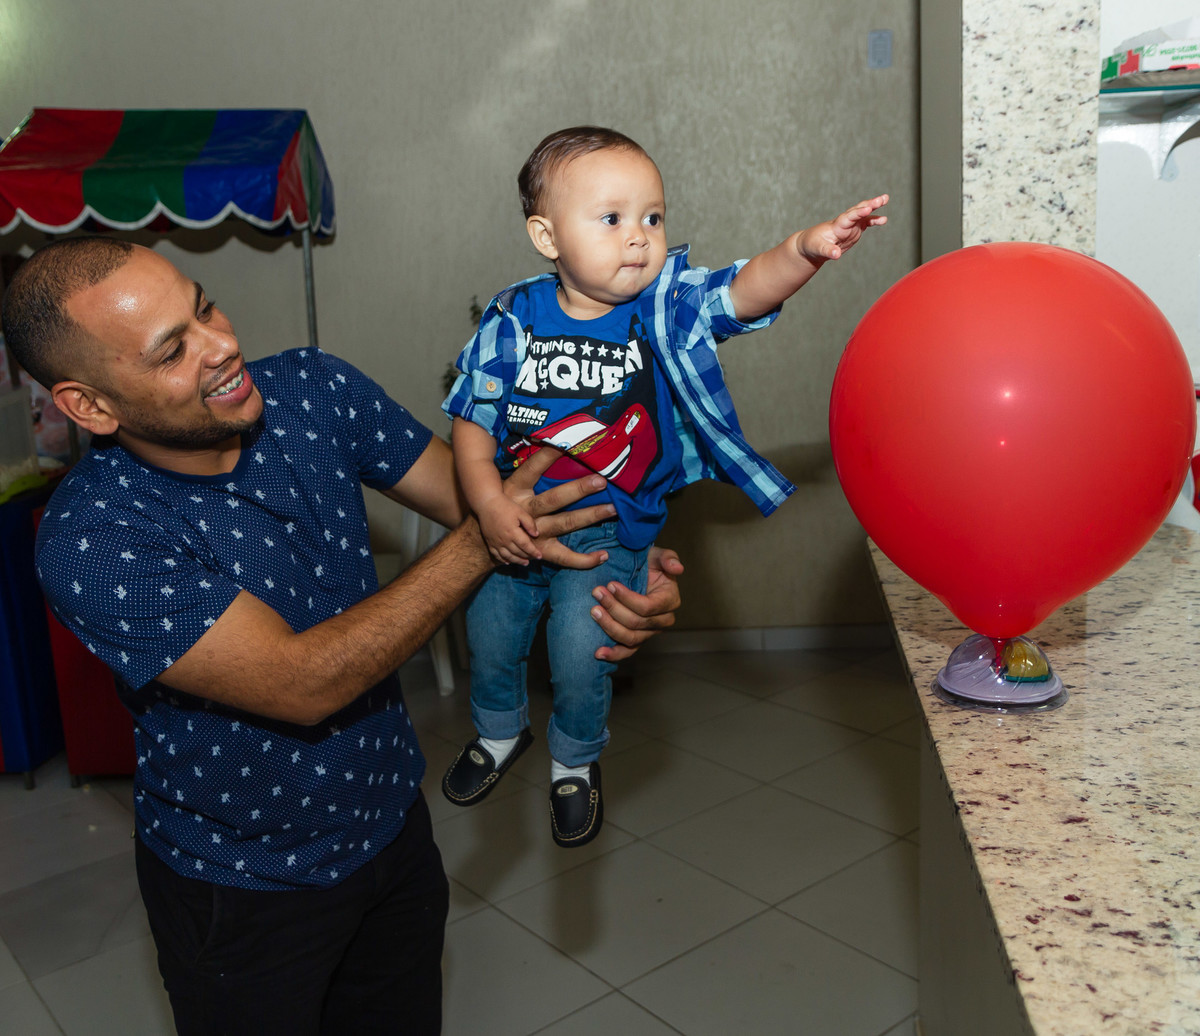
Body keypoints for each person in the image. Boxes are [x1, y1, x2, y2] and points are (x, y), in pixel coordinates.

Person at [0, 236, 683, 1036]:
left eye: (204, 306)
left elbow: (489, 504)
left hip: (392, 831)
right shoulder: (95, 536)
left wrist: (619, 571)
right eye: (173, 350)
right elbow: (302, 682)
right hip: (241, 889)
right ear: (91, 406)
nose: (223, 346)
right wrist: (482, 543)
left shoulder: (311, 390)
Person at [442, 126, 886, 847]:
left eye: (653, 217)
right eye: (611, 219)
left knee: (581, 657)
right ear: (546, 236)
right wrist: (488, 507)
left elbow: (740, 292)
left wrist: (804, 249)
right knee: (489, 638)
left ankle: (575, 762)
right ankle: (497, 735)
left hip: (610, 527)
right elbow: (471, 415)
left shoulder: (662, 307)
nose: (640, 239)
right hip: (511, 525)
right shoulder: (513, 315)